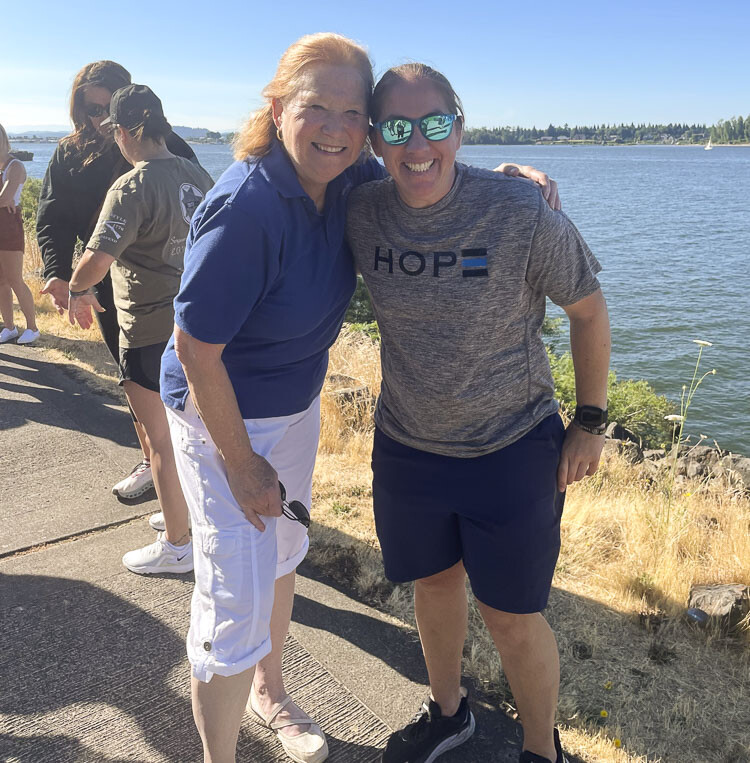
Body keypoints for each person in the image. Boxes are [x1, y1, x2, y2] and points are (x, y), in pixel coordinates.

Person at [159, 33, 558, 763]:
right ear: (277, 109)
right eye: (318, 108)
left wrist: (505, 182)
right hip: (221, 419)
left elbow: (425, 162)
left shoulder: (343, 180)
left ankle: (269, 692)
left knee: (281, 557)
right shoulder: (246, 207)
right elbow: (194, 350)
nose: (338, 128)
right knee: (232, 601)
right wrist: (242, 462)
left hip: (292, 407)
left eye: (353, 113)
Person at [346, 63, 611, 763]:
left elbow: (587, 308)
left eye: (434, 124)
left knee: (514, 617)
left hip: (512, 445)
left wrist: (591, 420)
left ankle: (539, 750)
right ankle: (448, 713)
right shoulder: (361, 208)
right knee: (433, 586)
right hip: (408, 446)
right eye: (397, 129)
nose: (418, 145)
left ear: (458, 127)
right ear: (375, 140)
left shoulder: (519, 210)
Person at [37, 60, 203, 501]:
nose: (98, 120)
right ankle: (155, 463)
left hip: (174, 290)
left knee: (179, 385)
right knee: (134, 377)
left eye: (106, 110)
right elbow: (52, 218)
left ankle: (181, 477)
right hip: (110, 291)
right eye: (89, 109)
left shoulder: (168, 149)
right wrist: (57, 274)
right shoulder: (68, 154)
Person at [66, 85, 213, 576]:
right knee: (194, 433)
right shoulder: (198, 175)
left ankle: (177, 544)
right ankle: (184, 515)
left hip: (148, 328)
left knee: (160, 441)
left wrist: (75, 288)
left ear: (125, 132)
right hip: (199, 326)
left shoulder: (132, 186)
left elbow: (96, 260)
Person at [0, 123, 39, 345]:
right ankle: (9, 327)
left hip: (9, 228)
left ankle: (32, 328)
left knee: (15, 279)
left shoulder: (15, 167)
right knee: (1, 282)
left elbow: (6, 199)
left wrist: (4, 204)